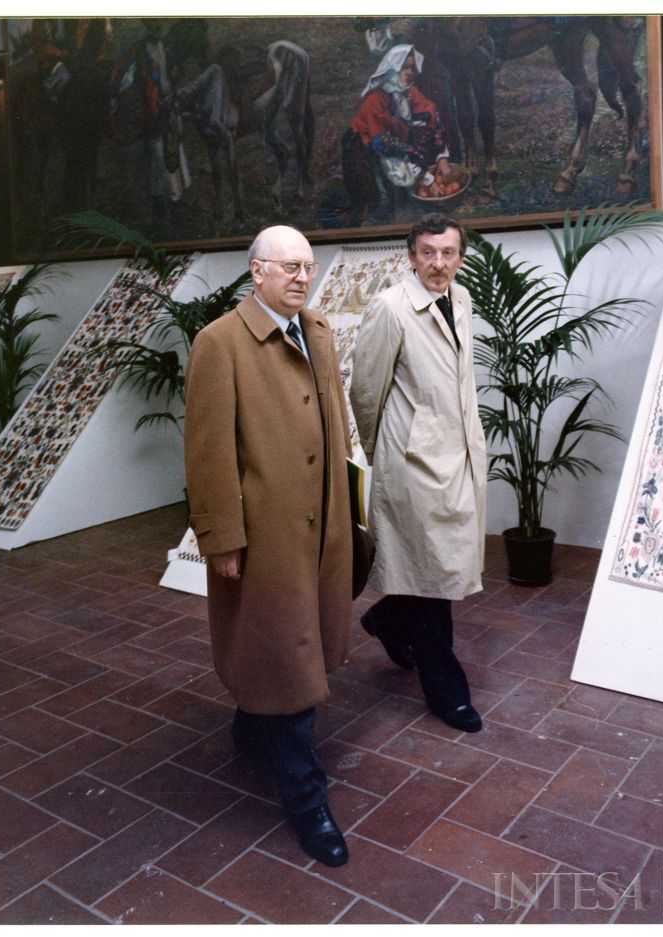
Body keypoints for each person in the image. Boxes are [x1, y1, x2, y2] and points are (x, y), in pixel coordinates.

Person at [184, 225, 354, 867]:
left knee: (285, 647)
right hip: (268, 535)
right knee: (289, 662)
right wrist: (221, 537)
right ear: (256, 272)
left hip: (319, 527)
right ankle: (308, 803)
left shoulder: (318, 333)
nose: (302, 277)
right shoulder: (219, 343)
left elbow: (334, 429)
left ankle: (250, 724)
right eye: (288, 267)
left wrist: (347, 514)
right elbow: (207, 452)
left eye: (308, 266)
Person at [349, 213, 487, 733]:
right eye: (428, 253)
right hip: (413, 463)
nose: (438, 263)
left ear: (460, 256)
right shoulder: (389, 309)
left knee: (438, 567)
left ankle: (386, 619)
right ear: (411, 256)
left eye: (448, 253)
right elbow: (366, 391)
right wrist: (386, 450)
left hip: (460, 456)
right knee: (434, 579)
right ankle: (447, 693)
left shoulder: (462, 297)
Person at [341, 44, 455, 224]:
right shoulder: (376, 99)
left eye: (411, 67)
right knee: (380, 206)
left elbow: (431, 115)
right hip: (363, 153)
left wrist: (442, 158)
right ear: (391, 70)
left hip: (394, 148)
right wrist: (425, 177)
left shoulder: (410, 92)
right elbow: (384, 145)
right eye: (404, 67)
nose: (409, 72)